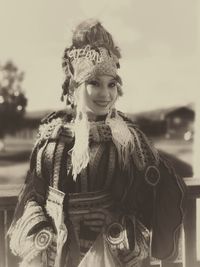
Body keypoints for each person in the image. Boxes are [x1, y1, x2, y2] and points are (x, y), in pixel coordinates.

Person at [8, 19, 186, 267]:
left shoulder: (127, 137)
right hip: (52, 250)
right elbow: (34, 191)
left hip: (106, 251)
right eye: (94, 83)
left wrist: (116, 217)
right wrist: (41, 224)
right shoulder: (51, 133)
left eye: (112, 84)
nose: (106, 94)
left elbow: (151, 194)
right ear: (74, 86)